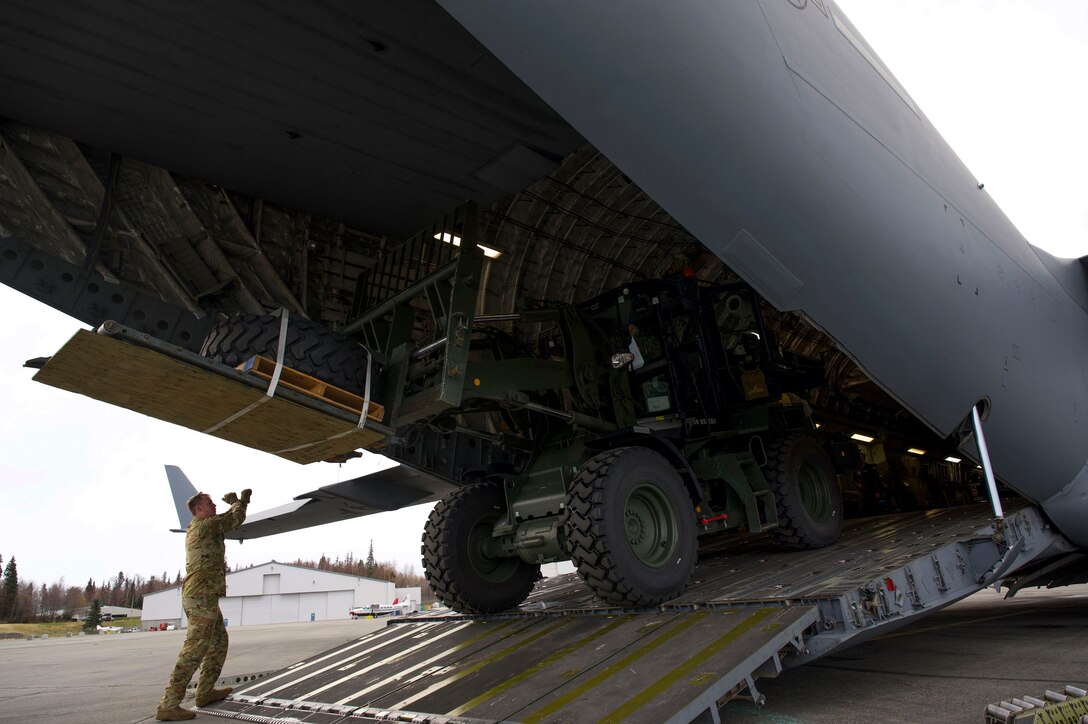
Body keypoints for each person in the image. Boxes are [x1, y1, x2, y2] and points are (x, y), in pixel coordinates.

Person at [155, 488, 250, 721]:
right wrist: (239, 502)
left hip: (205, 596)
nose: (214, 506)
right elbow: (233, 519)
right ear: (199, 509)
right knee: (195, 648)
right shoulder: (204, 526)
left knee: (218, 642)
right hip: (199, 597)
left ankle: (205, 692)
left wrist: (238, 504)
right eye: (210, 503)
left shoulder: (205, 526)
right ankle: (169, 704)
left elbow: (228, 519)